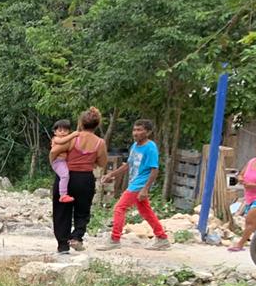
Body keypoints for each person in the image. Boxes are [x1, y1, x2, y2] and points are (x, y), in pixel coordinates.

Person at [99, 118, 170, 250]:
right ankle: (162, 238)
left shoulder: (150, 147)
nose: (135, 133)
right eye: (134, 129)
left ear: (147, 132)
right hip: (135, 182)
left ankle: (115, 239)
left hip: (139, 184)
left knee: (119, 208)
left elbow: (155, 169)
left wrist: (145, 189)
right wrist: (111, 174)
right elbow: (128, 165)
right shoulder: (134, 146)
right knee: (146, 211)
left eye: (139, 130)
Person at [49, 107, 108, 253]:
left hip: (67, 177)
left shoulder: (73, 138)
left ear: (80, 123)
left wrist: (53, 164)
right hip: (85, 179)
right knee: (82, 211)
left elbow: (53, 152)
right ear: (97, 124)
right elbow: (102, 163)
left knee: (62, 211)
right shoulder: (100, 143)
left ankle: (63, 245)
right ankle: (76, 237)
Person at [229, 142, 256, 252]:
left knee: (250, 221)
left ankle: (240, 245)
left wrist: (254, 185)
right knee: (255, 226)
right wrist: (240, 179)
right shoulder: (251, 162)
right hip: (249, 197)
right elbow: (241, 174)